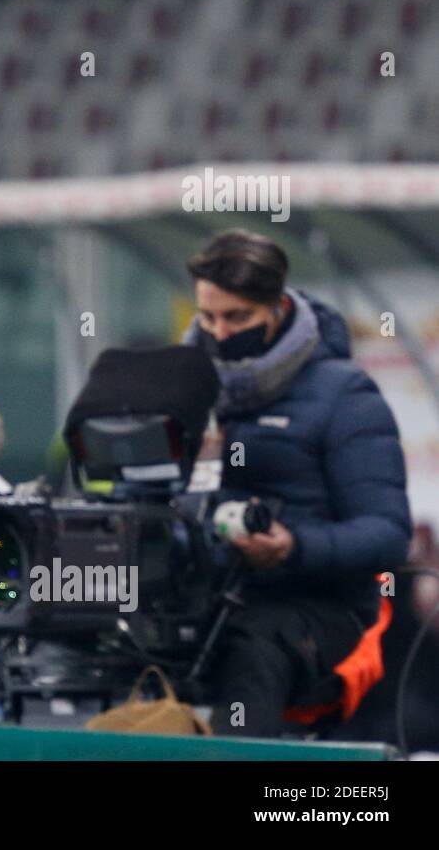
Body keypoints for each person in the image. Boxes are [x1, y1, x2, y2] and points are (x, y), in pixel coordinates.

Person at [180, 229, 411, 737]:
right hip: (204, 595)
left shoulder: (344, 394)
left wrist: (294, 546)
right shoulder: (180, 390)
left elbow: (388, 532)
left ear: (278, 309)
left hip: (320, 611)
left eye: (238, 317)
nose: (219, 333)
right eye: (207, 317)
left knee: (249, 647)